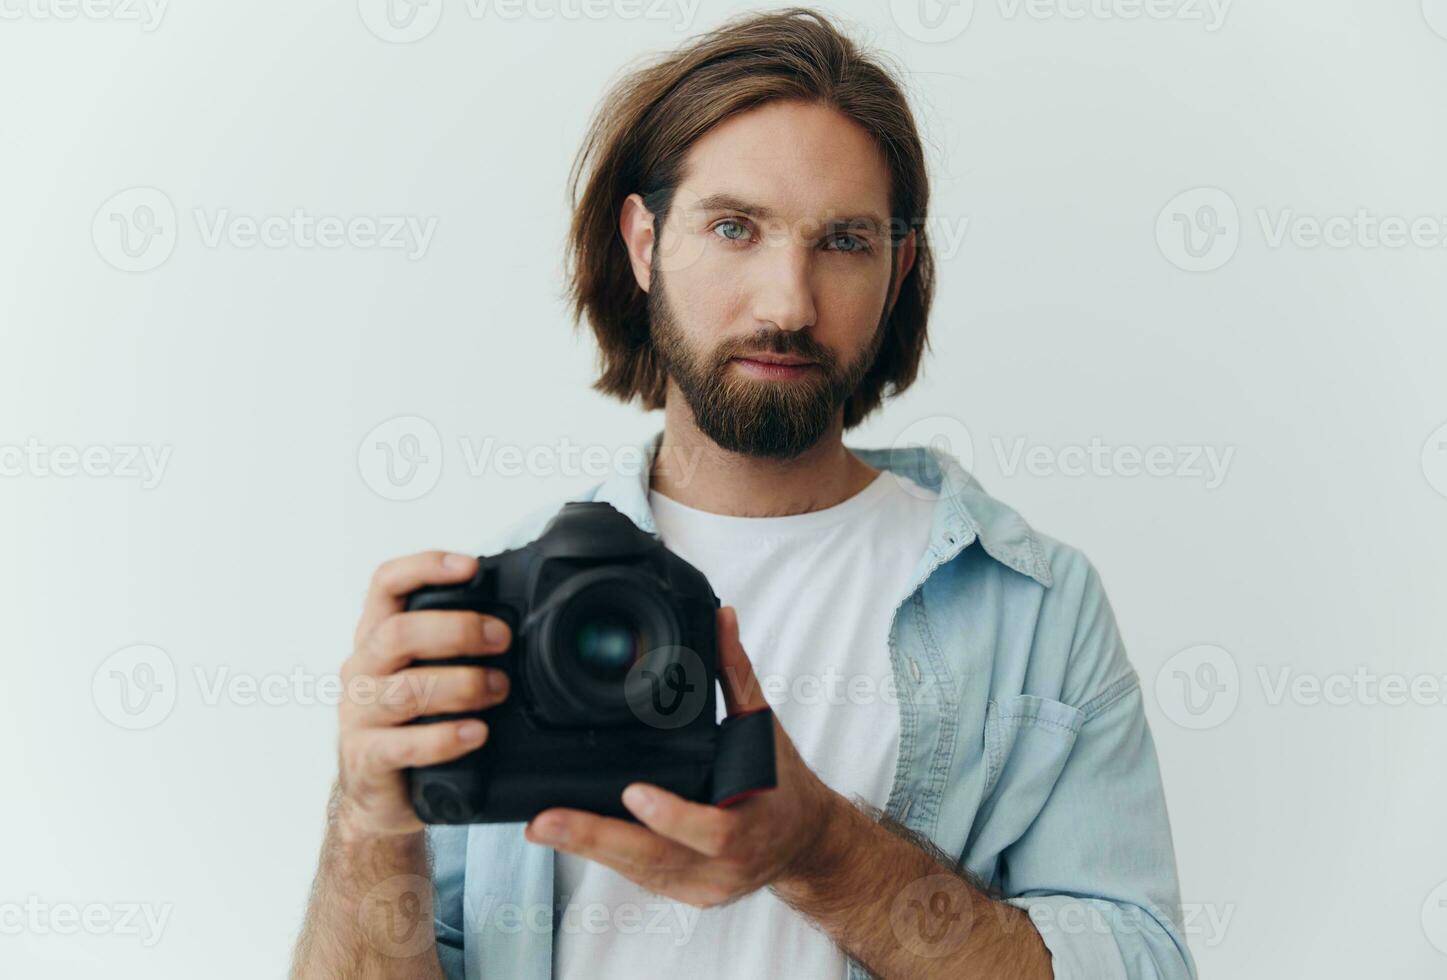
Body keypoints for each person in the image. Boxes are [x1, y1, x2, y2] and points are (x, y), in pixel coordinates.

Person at [291, 9, 1196, 979]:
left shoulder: (1036, 610)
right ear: (643, 241)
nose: (787, 303)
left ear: (897, 269)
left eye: (843, 241)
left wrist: (823, 851)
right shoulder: (502, 610)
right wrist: (368, 821)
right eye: (735, 227)